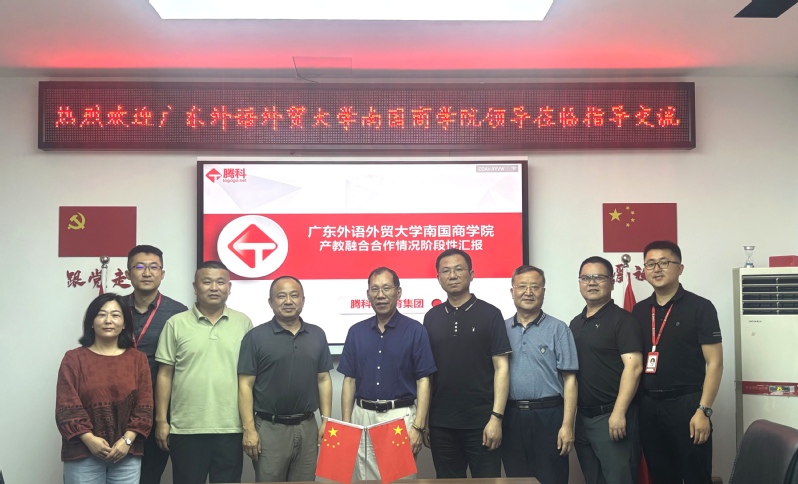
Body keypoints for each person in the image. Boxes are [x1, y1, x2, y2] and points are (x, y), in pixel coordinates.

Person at [632, 241, 723, 484]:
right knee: (661, 476)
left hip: (688, 405)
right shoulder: (639, 311)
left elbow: (715, 363)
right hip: (649, 407)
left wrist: (703, 410)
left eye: (664, 262)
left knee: (696, 476)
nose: (657, 269)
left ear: (680, 268)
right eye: (650, 264)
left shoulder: (700, 307)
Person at [155, 261, 253, 484]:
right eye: (207, 282)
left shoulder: (243, 323)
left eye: (220, 282)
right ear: (195, 287)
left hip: (231, 427)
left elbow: (248, 379)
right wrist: (161, 420)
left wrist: (249, 426)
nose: (214, 287)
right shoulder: (176, 324)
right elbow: (164, 375)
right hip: (186, 428)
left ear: (229, 287)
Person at [338, 267, 437, 481]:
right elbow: (349, 380)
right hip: (362, 415)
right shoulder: (356, 332)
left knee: (400, 479)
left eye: (386, 288)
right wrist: (347, 426)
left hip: (399, 417)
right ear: (368, 295)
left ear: (398, 292)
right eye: (374, 289)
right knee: (364, 479)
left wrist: (418, 426)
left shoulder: (415, 330)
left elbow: (423, 381)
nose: (380, 295)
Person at [422, 249, 511, 478]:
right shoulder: (431, 317)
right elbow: (427, 375)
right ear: (438, 277)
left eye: (459, 269)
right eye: (445, 271)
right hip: (442, 424)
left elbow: (502, 368)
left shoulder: (491, 314)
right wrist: (426, 420)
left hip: (482, 423)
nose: (452, 275)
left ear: (471, 274)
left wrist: (496, 418)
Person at [237, 276, 334, 482]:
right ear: (271, 302)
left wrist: (326, 420)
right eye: (281, 296)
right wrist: (249, 429)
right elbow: (245, 385)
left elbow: (324, 379)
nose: (288, 301)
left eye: (294, 295)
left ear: (303, 300)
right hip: (269, 428)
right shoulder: (255, 337)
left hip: (307, 426)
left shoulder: (317, 334)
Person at [56, 293, 153, 484]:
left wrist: (127, 440)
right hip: (83, 453)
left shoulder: (138, 359)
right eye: (101, 314)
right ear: (91, 322)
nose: (108, 320)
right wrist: (89, 439)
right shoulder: (73, 359)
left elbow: (145, 406)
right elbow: (66, 406)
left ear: (124, 324)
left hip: (126, 453)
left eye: (115, 315)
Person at [569, 256, 643, 484]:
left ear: (611, 282)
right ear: (579, 283)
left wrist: (618, 413)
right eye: (586, 278)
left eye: (599, 277)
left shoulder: (623, 320)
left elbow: (634, 367)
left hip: (612, 418)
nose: (592, 282)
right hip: (583, 419)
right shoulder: (575, 323)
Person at [502, 265, 578, 484]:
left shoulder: (559, 329)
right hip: (511, 416)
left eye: (535, 287)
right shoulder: (501, 329)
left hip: (549, 416)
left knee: (552, 478)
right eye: (522, 287)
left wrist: (567, 425)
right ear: (512, 291)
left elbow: (570, 380)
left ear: (543, 292)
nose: (528, 292)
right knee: (517, 479)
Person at [125, 245, 188, 484]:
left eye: (153, 267)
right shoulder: (113, 308)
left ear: (162, 274)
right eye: (139, 267)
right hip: (117, 408)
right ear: (128, 273)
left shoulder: (178, 313)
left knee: (150, 476)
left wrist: (164, 419)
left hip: (158, 409)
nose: (147, 273)